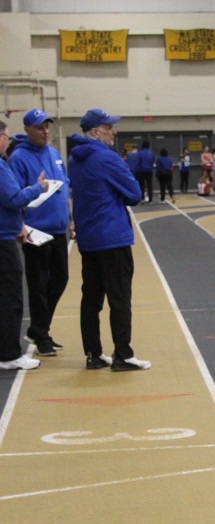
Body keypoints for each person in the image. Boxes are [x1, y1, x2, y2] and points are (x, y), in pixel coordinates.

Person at [68, 109, 151, 371]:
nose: (113, 131)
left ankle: (93, 354)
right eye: (108, 127)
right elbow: (134, 193)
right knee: (119, 297)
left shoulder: (74, 158)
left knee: (91, 299)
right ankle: (123, 355)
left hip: (89, 238)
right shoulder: (107, 157)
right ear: (95, 132)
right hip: (113, 237)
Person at [7, 109, 72, 358]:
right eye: (39, 127)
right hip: (36, 229)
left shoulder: (54, 154)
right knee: (38, 284)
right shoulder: (19, 158)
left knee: (61, 278)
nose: (45, 132)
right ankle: (41, 334)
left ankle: (38, 329)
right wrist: (20, 225)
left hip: (58, 228)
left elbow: (65, 187)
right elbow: (14, 195)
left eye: (47, 126)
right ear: (27, 130)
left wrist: (71, 219)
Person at [0, 120, 49, 371]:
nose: (9, 142)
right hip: (2, 241)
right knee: (10, 297)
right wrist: (37, 188)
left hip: (6, 232)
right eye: (7, 137)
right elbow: (13, 198)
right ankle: (9, 354)